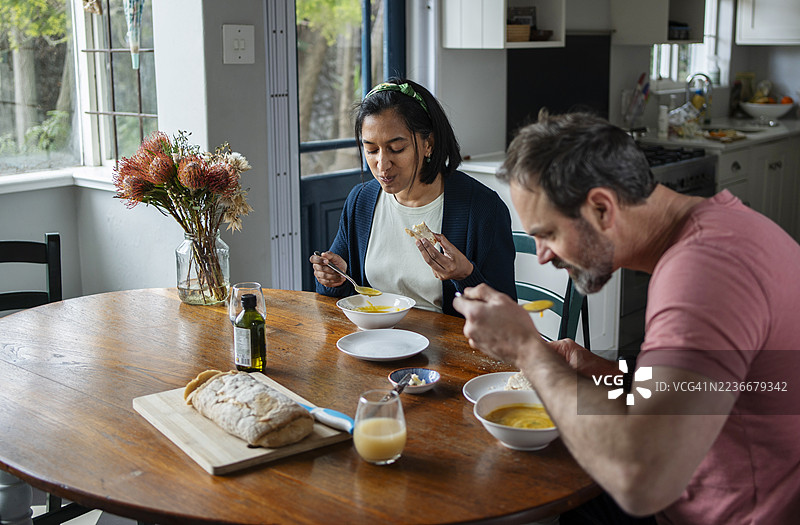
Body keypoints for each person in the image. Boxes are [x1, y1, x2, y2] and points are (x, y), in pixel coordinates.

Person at [453, 111, 800, 524]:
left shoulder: (703, 272)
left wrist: (528, 350)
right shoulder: (723, 226)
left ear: (601, 208)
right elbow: (714, 389)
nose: (543, 254)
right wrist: (606, 375)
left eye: (547, 233)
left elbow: (640, 480)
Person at [310, 78, 516, 316]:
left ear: (428, 143)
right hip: (375, 344)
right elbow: (334, 297)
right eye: (371, 150)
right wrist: (333, 279)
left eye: (397, 148)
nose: (382, 164)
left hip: (449, 349)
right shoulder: (361, 202)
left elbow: (507, 316)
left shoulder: (482, 209)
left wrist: (464, 275)